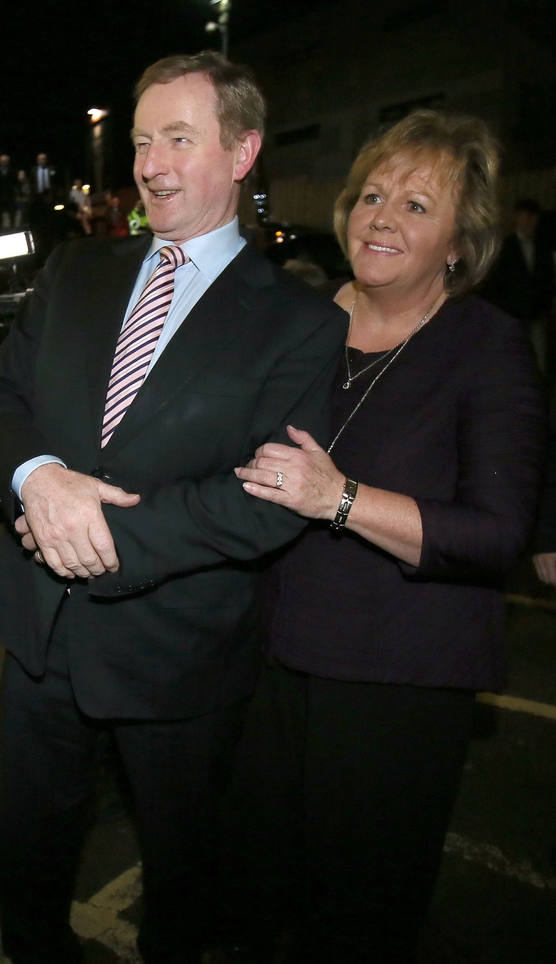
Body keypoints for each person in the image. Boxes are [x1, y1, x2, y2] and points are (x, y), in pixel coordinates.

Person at [0, 51, 344, 964]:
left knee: (183, 875)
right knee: (31, 857)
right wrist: (38, 480)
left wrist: (85, 532)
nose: (151, 162)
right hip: (40, 639)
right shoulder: (76, 272)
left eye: (179, 137)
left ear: (244, 150)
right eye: (141, 140)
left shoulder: (299, 321)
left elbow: (266, 499)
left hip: (177, 653)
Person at [227, 110, 545, 963]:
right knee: (258, 896)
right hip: (269, 663)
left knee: (357, 916)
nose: (381, 217)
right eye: (373, 195)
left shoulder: (487, 346)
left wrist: (341, 499)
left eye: (414, 205)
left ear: (458, 241)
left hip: (396, 682)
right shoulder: (299, 322)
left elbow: (495, 530)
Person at [482, 198, 556, 371]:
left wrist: (549, 302)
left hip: (536, 312)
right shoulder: (504, 246)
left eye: (533, 217)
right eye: (526, 216)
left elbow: (547, 277)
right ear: (517, 217)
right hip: (512, 312)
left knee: (538, 359)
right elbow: (496, 282)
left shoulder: (542, 246)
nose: (530, 221)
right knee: (513, 356)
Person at [0, 154, 17, 229]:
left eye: (5, 161)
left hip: (10, 195)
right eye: (2, 161)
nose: (4, 163)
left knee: (12, 214)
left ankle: (12, 228)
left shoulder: (12, 171)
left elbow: (15, 183)